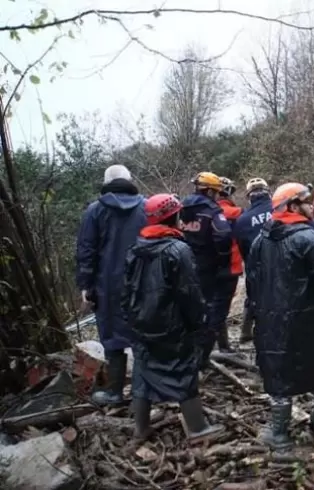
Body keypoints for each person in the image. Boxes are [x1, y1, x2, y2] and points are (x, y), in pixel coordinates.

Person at [246, 182, 314, 450]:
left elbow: (252, 284)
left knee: (279, 374)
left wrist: (257, 315)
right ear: (291, 206)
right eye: (305, 200)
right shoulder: (310, 239)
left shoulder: (259, 241)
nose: (312, 205)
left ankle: (279, 433)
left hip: (272, 322)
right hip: (311, 320)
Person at [123, 194, 225, 443]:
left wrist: (132, 319)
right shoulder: (178, 250)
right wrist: (197, 324)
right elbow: (189, 292)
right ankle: (198, 428)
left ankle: (141, 427)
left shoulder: (136, 248)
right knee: (182, 371)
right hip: (171, 325)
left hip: (141, 323)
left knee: (142, 371)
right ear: (173, 216)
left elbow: (126, 289)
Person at [75, 164, 146, 406]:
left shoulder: (94, 211)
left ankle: (115, 393)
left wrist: (85, 285)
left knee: (112, 337)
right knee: (142, 336)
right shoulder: (146, 207)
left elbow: (86, 251)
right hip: (143, 283)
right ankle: (141, 394)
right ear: (130, 180)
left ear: (105, 183)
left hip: (108, 285)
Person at [180, 172, 233, 368]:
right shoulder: (212, 210)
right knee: (208, 312)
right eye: (217, 192)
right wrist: (222, 259)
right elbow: (224, 235)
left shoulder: (182, 207)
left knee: (186, 311)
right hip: (207, 268)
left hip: (183, 265)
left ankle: (186, 355)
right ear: (210, 190)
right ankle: (200, 360)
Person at [233, 177, 273, 343]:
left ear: (249, 196)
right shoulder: (280, 210)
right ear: (268, 193)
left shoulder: (242, 220)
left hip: (254, 267)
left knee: (253, 298)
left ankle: (246, 331)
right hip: (282, 265)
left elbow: (242, 248)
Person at [214, 177, 244, 353]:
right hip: (231, 267)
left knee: (211, 305)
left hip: (207, 268)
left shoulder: (205, 212)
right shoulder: (236, 212)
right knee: (222, 308)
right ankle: (222, 346)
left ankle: (218, 344)